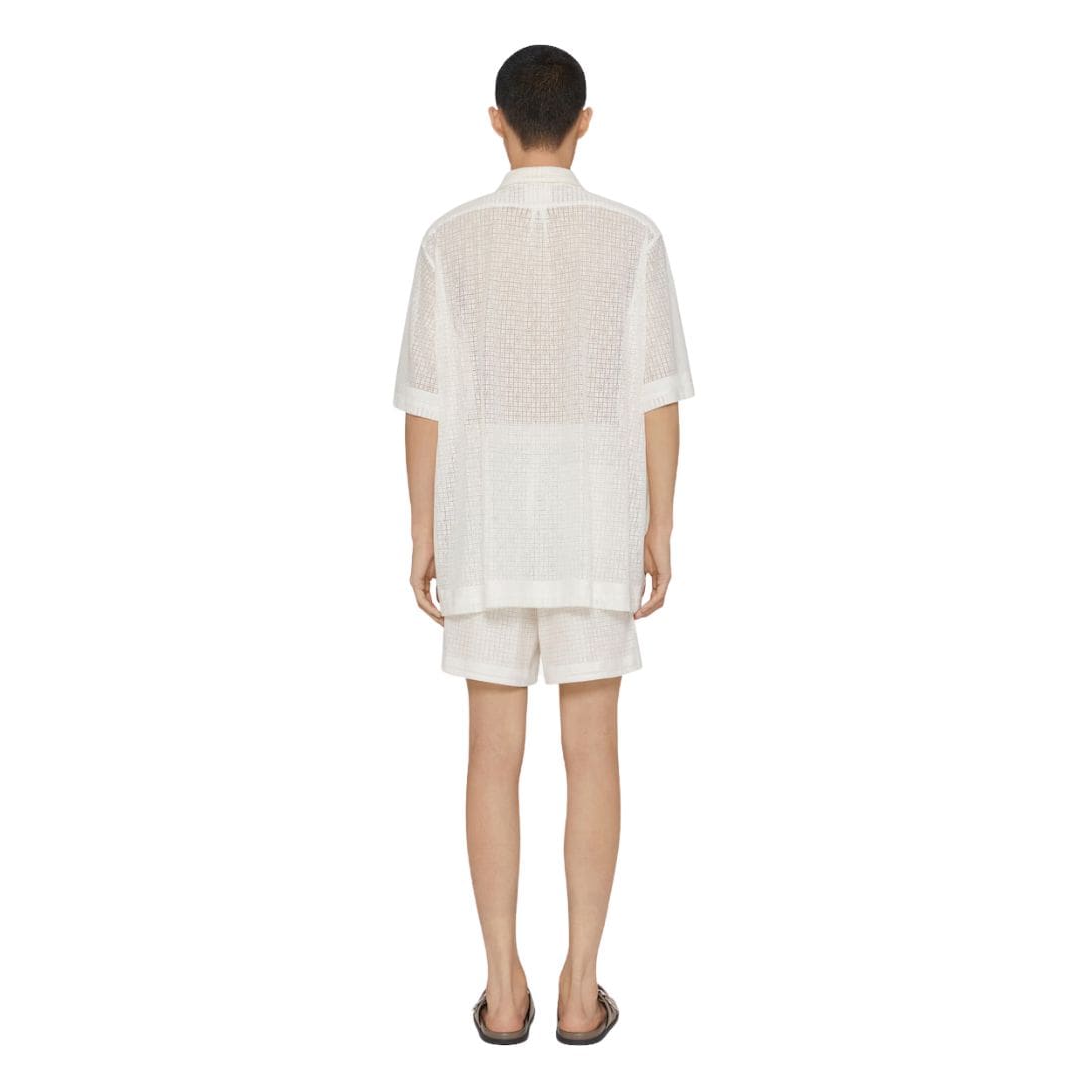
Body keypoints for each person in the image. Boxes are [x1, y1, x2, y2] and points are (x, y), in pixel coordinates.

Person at [393, 44, 694, 1046]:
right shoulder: (632, 238)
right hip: (595, 514)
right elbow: (657, 395)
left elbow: (425, 401)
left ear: (496, 121)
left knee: (491, 753)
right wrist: (659, 524)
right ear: (584, 121)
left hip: (484, 515)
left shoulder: (449, 239)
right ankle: (579, 988)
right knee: (592, 751)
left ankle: (500, 989)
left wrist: (423, 532)